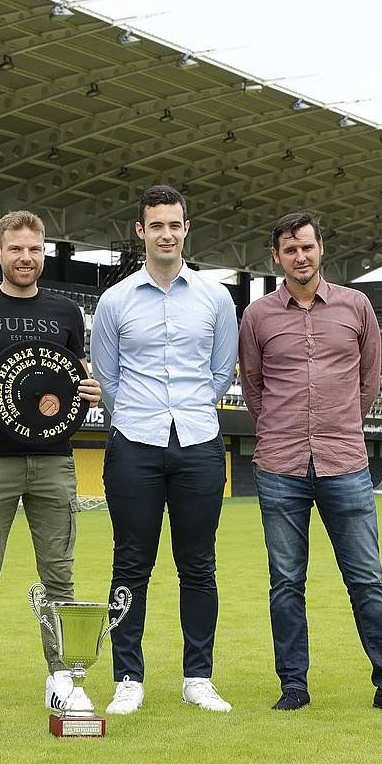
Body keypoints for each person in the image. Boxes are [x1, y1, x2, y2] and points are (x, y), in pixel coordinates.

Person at [237, 211, 382, 715]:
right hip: (279, 466)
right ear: (276, 257)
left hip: (345, 463)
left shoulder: (356, 307)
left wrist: (338, 427)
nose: (300, 257)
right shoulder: (257, 317)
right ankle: (293, 685)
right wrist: (281, 428)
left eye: (307, 247)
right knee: (286, 583)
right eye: (290, 250)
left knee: (366, 580)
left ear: (321, 250)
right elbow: (254, 388)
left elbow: (369, 381)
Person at [0, 210, 102, 721]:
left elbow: (77, 380)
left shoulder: (66, 313)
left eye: (34, 249)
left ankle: (63, 679)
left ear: (44, 252)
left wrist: (92, 390)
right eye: (16, 249)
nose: (26, 258)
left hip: (54, 462)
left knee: (61, 578)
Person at [90, 184, 238, 716]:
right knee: (130, 563)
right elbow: (107, 377)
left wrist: (192, 408)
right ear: (141, 232)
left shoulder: (217, 298)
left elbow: (222, 372)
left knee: (199, 565)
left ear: (186, 229)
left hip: (199, 441)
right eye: (157, 225)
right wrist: (139, 414)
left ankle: (198, 677)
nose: (167, 234)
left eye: (175, 224)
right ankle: (128, 677)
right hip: (135, 442)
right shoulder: (115, 300)